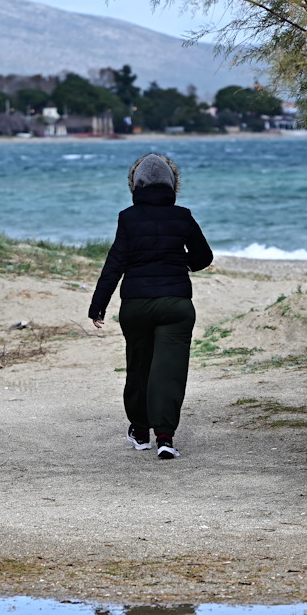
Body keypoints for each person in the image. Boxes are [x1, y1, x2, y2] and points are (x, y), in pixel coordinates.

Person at [88, 153, 213, 460]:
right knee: (168, 371)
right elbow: (204, 257)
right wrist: (179, 262)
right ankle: (166, 437)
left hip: (136, 306)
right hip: (176, 306)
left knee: (139, 366)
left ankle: (140, 432)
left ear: (136, 186)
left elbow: (115, 263)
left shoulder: (127, 218)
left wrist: (98, 305)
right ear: (172, 186)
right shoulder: (183, 216)